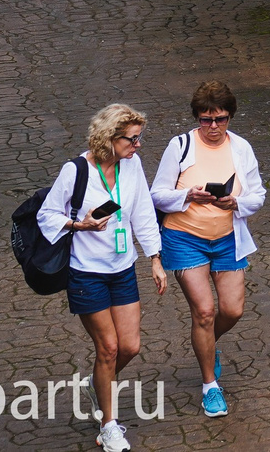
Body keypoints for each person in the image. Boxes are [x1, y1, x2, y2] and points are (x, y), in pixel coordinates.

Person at [37, 103, 166, 452]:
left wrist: (155, 257)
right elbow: (47, 215)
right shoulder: (76, 170)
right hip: (86, 273)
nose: (138, 146)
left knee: (130, 346)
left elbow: (141, 211)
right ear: (110, 138)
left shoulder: (132, 165)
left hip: (122, 269)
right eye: (132, 139)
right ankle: (109, 426)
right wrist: (81, 224)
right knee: (108, 348)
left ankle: (97, 384)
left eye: (139, 139)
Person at [150, 80, 266, 419]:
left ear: (230, 116)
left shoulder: (241, 148)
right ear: (197, 117)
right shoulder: (180, 146)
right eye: (205, 119)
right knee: (203, 312)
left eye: (220, 119)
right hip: (185, 238)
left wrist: (236, 202)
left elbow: (258, 195)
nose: (213, 127)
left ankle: (207, 344)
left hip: (228, 239)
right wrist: (188, 195)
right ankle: (209, 386)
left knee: (232, 311)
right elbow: (156, 193)